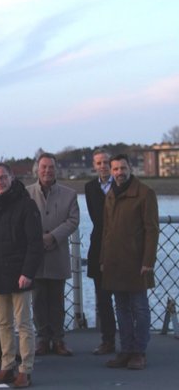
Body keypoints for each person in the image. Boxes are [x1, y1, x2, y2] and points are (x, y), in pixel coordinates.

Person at [0, 163, 41, 388]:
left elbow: (35, 243)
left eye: (2, 178)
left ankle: (26, 369)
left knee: (23, 324)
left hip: (19, 274)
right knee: (3, 324)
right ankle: (6, 367)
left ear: (11, 177)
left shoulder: (26, 205)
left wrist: (28, 272)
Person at [101, 154, 159, 370]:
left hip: (137, 262)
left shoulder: (145, 193)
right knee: (121, 309)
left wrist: (148, 261)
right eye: (115, 169)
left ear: (130, 168)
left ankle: (139, 352)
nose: (119, 172)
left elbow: (152, 229)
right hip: (114, 261)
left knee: (140, 308)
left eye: (122, 168)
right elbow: (106, 231)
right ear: (110, 170)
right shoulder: (110, 194)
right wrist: (102, 259)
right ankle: (125, 351)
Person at [25, 153, 79, 357]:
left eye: (51, 167)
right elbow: (21, 219)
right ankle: (42, 339)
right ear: (37, 169)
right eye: (44, 167)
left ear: (56, 169)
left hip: (58, 252)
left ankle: (58, 339)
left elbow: (73, 221)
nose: (47, 171)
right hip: (34, 256)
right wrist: (38, 239)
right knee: (37, 300)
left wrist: (53, 237)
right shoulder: (26, 192)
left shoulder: (69, 194)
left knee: (57, 300)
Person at [84, 149, 116, 356]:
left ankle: (133, 341)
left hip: (121, 247)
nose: (102, 166)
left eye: (106, 162)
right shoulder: (90, 188)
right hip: (98, 247)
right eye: (99, 163)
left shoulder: (121, 184)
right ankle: (108, 340)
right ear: (94, 166)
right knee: (102, 299)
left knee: (126, 298)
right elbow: (97, 216)